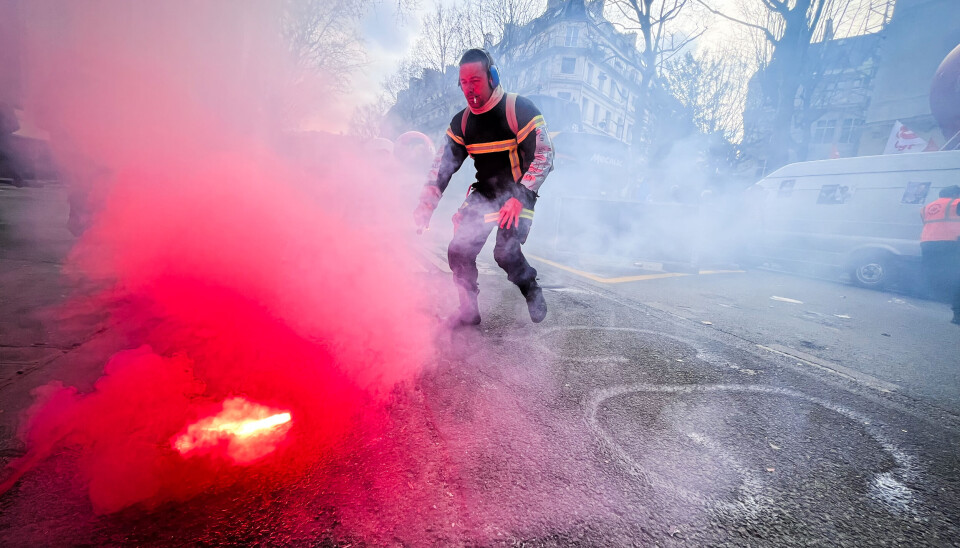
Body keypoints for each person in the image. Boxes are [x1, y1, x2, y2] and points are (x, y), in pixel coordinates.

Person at [414, 48, 554, 326]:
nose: (468, 89)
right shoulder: (462, 122)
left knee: (504, 253)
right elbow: (441, 167)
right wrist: (425, 205)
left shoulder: (520, 109)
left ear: (492, 76)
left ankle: (531, 287)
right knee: (458, 252)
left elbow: (544, 154)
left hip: (518, 193)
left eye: (475, 81)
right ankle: (468, 310)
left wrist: (522, 196)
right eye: (463, 83)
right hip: (484, 195)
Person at [920, 185, 960, 325]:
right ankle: (958, 315)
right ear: (955, 193)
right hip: (952, 243)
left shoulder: (927, 207)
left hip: (927, 244)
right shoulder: (956, 203)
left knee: (941, 276)